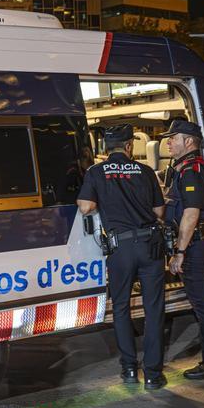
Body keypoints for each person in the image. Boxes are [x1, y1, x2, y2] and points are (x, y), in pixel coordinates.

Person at [76, 125, 169, 389]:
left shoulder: (95, 172)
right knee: (153, 309)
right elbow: (159, 211)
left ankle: (129, 369)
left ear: (105, 149)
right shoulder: (145, 171)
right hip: (150, 246)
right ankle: (153, 374)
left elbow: (86, 207)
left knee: (120, 307)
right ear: (129, 147)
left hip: (120, 249)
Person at [161, 119, 204, 381]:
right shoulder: (181, 168)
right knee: (200, 302)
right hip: (194, 242)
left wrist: (180, 252)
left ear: (188, 141)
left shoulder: (192, 169)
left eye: (172, 137)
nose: (168, 141)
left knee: (201, 303)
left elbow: (191, 213)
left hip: (195, 243)